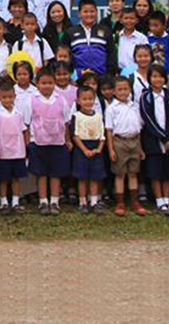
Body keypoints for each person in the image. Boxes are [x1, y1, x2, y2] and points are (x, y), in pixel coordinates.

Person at [29, 66, 71, 215]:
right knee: (41, 173)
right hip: (38, 141)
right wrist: (29, 141)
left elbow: (66, 121)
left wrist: (68, 140)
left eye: (50, 83)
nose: (47, 86)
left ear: (54, 83)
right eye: (43, 83)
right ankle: (43, 201)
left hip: (57, 142)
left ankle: (54, 201)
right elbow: (28, 121)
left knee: (55, 173)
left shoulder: (61, 100)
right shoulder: (32, 99)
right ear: (37, 84)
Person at [139, 63, 169, 216]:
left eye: (161, 76)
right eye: (154, 76)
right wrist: (162, 137)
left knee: (168, 171)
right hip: (153, 140)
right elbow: (147, 119)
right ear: (149, 78)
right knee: (155, 171)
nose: (158, 79)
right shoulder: (145, 97)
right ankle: (159, 200)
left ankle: (167, 200)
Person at [106, 75, 146, 216]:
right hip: (119, 142)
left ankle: (135, 201)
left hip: (134, 141)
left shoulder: (135, 106)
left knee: (133, 173)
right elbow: (109, 130)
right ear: (114, 92)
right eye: (120, 89)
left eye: (126, 89)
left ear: (130, 90)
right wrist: (111, 148)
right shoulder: (111, 108)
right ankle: (120, 202)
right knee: (120, 174)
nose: (123, 92)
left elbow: (139, 127)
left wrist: (140, 148)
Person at [71, 84, 107, 214]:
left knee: (95, 177)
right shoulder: (76, 116)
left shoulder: (98, 116)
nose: (88, 102)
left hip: (96, 147)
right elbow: (75, 135)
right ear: (78, 101)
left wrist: (99, 148)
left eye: (91, 99)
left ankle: (94, 201)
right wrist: (84, 149)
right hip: (81, 148)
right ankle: (83, 202)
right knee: (82, 177)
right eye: (85, 99)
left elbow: (102, 135)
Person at [68, 0, 112, 77]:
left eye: (92, 11)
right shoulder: (70, 32)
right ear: (79, 14)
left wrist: (109, 75)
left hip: (102, 77)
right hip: (79, 78)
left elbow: (111, 54)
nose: (89, 14)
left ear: (96, 12)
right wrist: (73, 76)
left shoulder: (105, 31)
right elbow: (67, 56)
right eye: (85, 12)